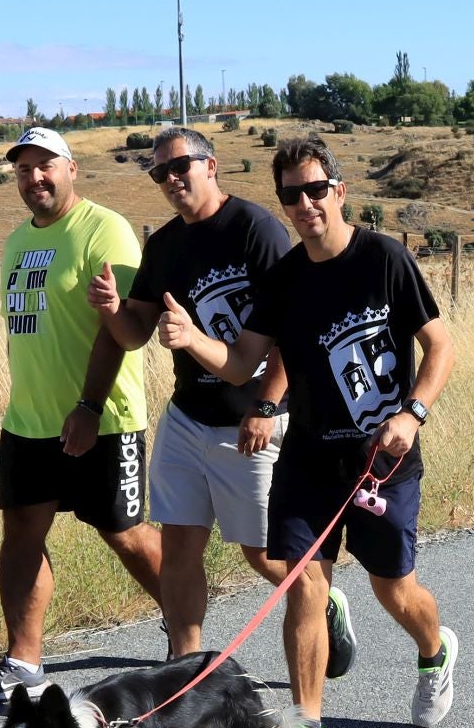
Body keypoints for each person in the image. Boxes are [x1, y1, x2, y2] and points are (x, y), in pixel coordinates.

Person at [156, 137, 457, 728]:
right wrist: (191, 341)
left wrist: (412, 414)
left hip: (383, 460)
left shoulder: (385, 259)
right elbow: (243, 363)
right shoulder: (286, 279)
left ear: (339, 191)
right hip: (309, 461)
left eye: (314, 190)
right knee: (303, 584)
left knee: (394, 591)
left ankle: (435, 652)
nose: (303, 204)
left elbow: (439, 348)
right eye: (290, 194)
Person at [84, 126, 356, 669]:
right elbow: (136, 331)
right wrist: (114, 308)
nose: (171, 179)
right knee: (180, 547)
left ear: (212, 165)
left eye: (180, 165)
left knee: (262, 552)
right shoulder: (163, 245)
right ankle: (186, 671)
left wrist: (266, 405)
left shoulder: (255, 229)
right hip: (189, 418)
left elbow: (292, 329)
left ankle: (323, 601)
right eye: (160, 172)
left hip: (250, 419)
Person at [0, 127, 163, 701]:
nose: (35, 178)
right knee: (22, 533)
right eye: (24, 169)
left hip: (104, 419)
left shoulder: (105, 229)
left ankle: (188, 638)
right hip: (29, 421)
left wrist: (88, 405)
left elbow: (125, 330)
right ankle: (23, 666)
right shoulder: (15, 243)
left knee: (125, 534)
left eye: (45, 166)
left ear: (71, 168)